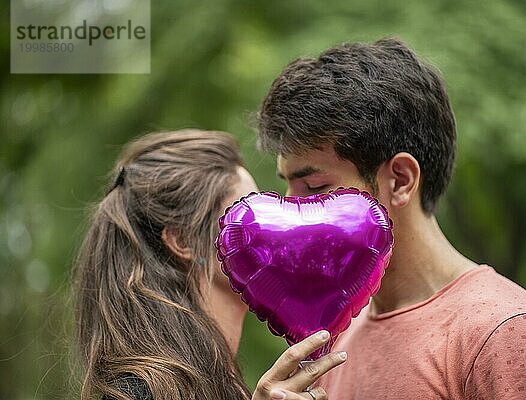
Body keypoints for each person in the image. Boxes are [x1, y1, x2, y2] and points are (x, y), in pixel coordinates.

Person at [257, 38, 526, 399]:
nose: (290, 213)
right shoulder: (333, 336)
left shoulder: (510, 337)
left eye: (313, 187)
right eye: (287, 189)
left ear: (400, 180)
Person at [73, 129, 347, 400]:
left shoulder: (218, 382)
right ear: (183, 241)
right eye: (249, 215)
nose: (273, 229)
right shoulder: (139, 393)